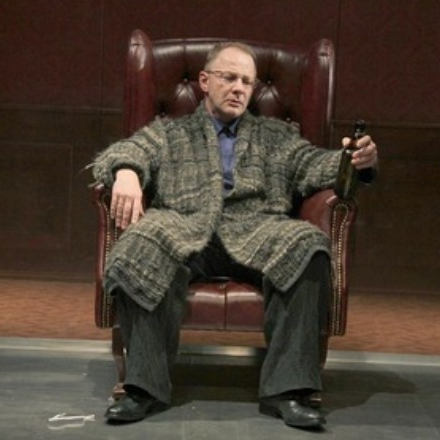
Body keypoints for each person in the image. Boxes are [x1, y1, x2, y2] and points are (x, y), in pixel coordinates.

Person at [91, 41, 378, 430]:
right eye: (229, 78)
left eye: (247, 81)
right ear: (204, 81)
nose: (239, 88)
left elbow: (315, 164)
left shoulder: (274, 136)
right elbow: (129, 150)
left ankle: (288, 391)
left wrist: (354, 160)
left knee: (308, 247)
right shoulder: (171, 132)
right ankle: (143, 388)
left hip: (256, 228)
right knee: (139, 246)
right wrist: (126, 171)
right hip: (183, 225)